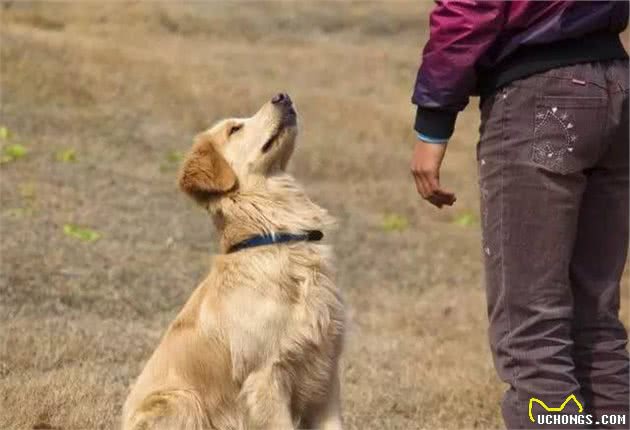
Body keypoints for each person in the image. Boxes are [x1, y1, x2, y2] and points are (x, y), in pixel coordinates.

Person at [410, 2, 629, 429]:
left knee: (532, 330)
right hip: (616, 87)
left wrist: (433, 121)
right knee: (597, 328)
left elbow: (471, 6)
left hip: (540, 94)